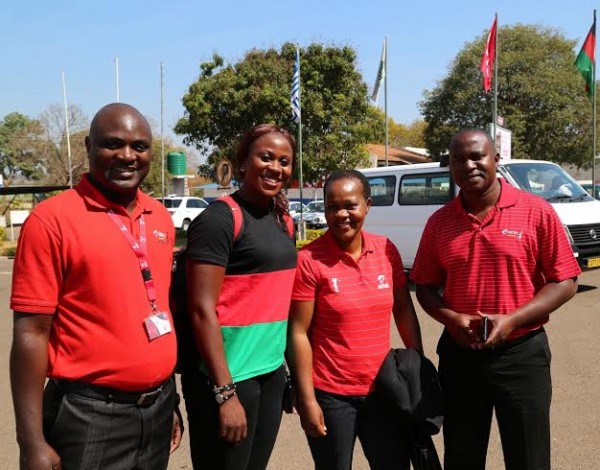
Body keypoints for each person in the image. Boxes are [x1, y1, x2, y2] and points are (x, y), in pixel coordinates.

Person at [10, 103, 183, 470]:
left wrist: (172, 400)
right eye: (112, 144)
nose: (127, 156)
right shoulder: (51, 221)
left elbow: (159, 311)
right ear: (89, 145)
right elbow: (31, 333)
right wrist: (30, 443)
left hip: (157, 406)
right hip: (89, 415)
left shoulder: (161, 217)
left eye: (139, 146)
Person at [410, 129, 581, 470]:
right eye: (458, 159)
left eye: (477, 156)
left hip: (521, 354)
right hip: (461, 357)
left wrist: (514, 319)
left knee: (529, 457)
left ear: (495, 159)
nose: (468, 165)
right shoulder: (439, 223)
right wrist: (450, 320)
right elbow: (424, 286)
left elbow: (565, 280)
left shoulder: (536, 211)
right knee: (462, 456)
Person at [288, 169, 423, 470]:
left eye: (350, 205)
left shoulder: (386, 250)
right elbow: (298, 332)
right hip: (332, 396)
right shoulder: (309, 260)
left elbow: (402, 308)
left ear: (367, 205)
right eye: (332, 207)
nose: (341, 214)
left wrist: (417, 366)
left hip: (385, 392)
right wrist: (307, 398)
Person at [181, 123, 298, 470]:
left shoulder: (283, 221)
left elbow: (279, 302)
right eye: (265, 157)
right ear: (243, 162)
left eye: (284, 161)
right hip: (228, 379)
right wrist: (225, 393)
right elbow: (201, 310)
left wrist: (287, 371)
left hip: (271, 373)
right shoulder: (219, 219)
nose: (275, 167)